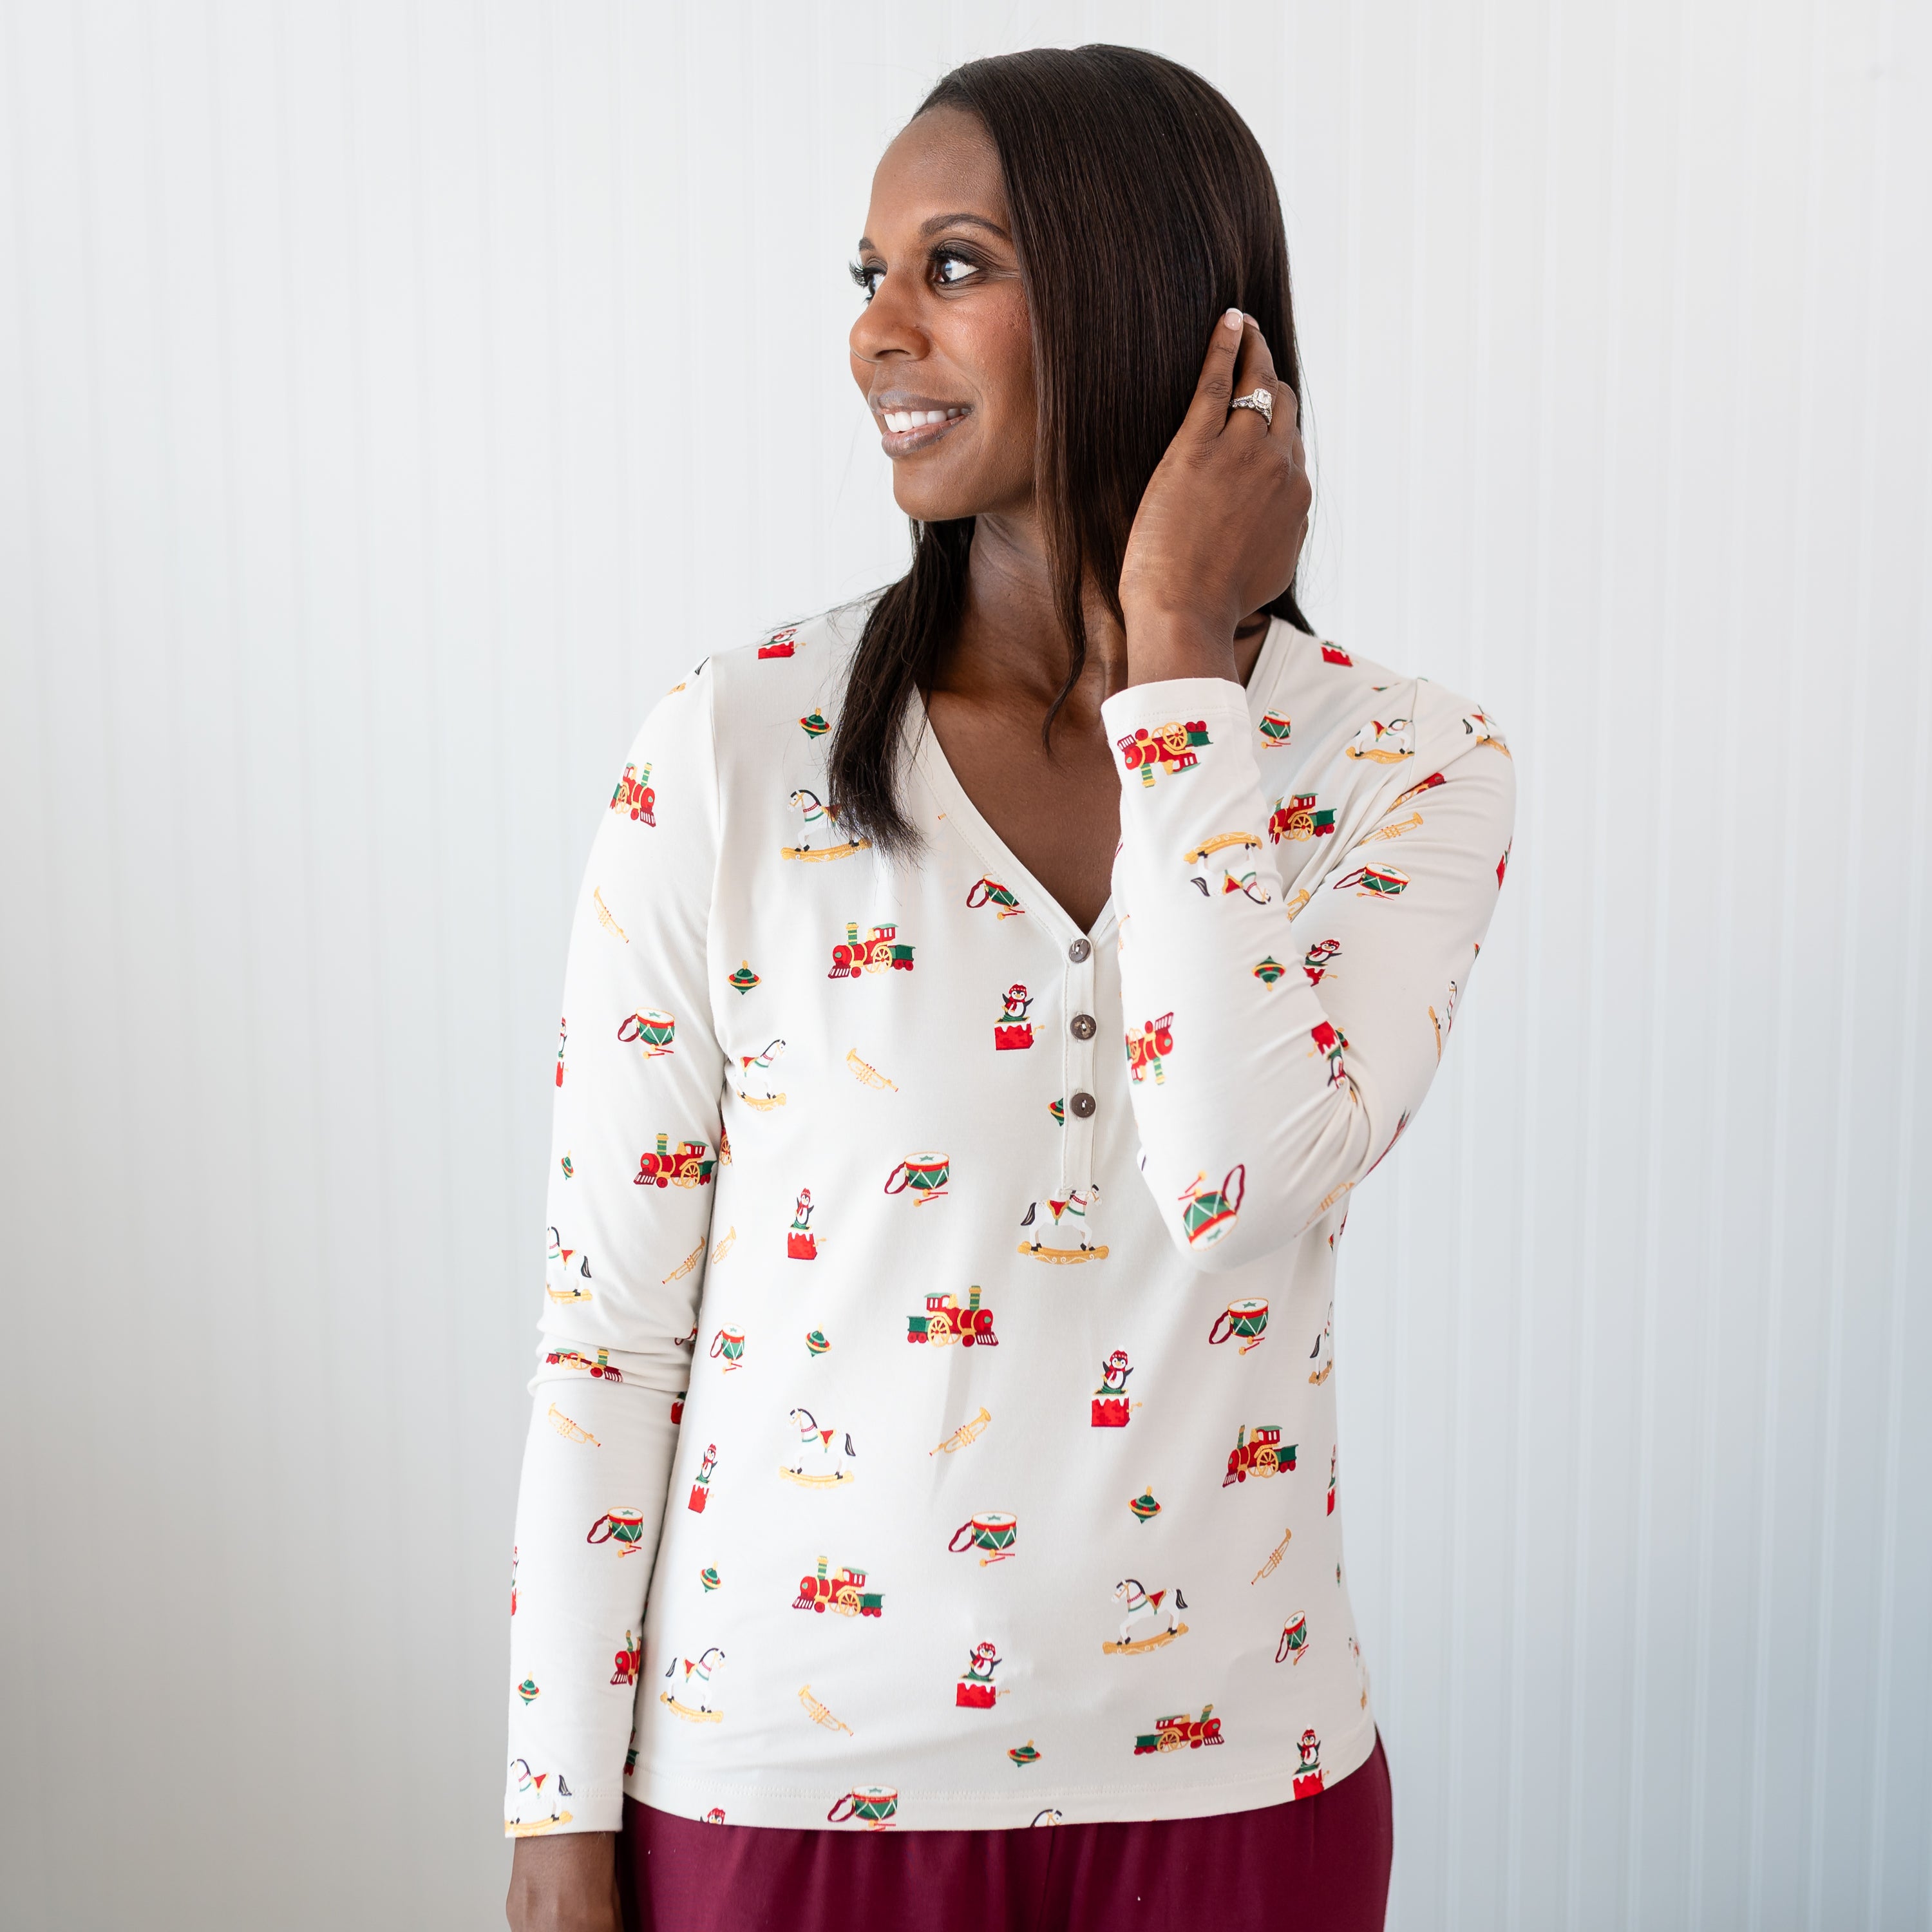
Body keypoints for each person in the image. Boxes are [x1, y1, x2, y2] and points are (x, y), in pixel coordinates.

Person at [504, 43, 1515, 1932]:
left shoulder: (1403, 763)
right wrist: (555, 1817)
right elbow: (609, 1330)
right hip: (782, 1793)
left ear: (1141, 290)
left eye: (953, 266)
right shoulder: (733, 750)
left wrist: (1184, 689)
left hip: (1235, 1781)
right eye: (868, 274)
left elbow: (1240, 1187)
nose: (878, 332)